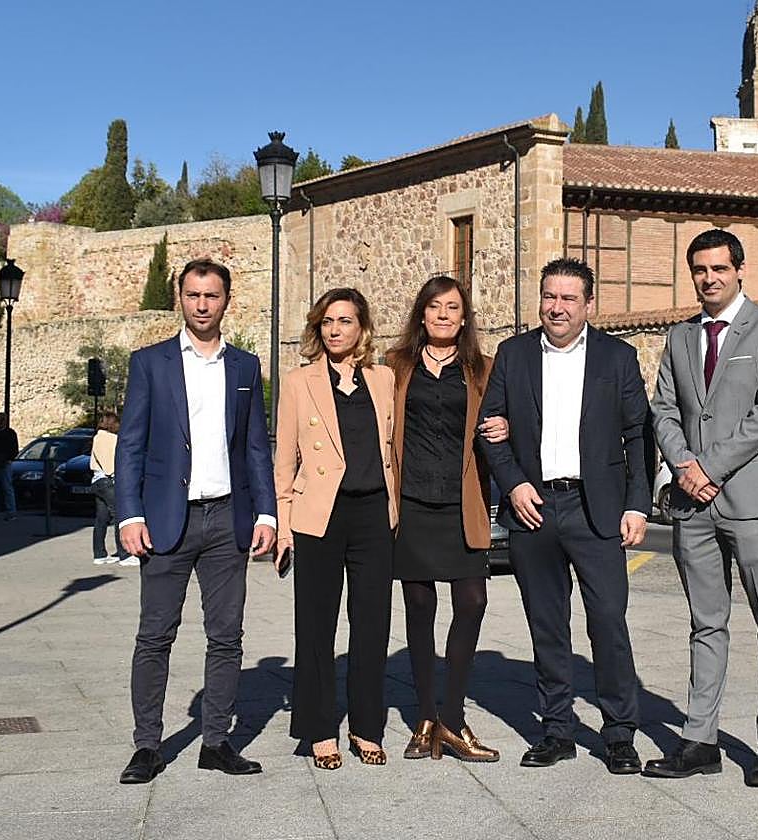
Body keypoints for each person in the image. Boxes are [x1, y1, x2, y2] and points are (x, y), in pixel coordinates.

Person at [479, 257, 651, 775]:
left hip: (596, 510)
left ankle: (619, 733)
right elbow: (489, 426)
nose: (556, 307)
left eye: (568, 298)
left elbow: (638, 435)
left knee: (608, 622)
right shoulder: (513, 355)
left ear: (588, 305)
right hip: (533, 508)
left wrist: (637, 504)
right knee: (547, 626)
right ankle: (556, 730)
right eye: (549, 296)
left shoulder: (617, 358)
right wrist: (514, 484)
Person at [645, 229, 758, 788]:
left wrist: (709, 467)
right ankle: (699, 739)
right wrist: (685, 465)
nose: (708, 279)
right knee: (705, 624)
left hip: (753, 501)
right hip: (692, 504)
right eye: (699, 270)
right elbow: (662, 407)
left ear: (739, 270)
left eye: (717, 268)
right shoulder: (680, 336)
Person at [115, 258, 276, 784]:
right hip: (166, 520)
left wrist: (267, 513)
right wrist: (129, 515)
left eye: (211, 296)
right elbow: (130, 447)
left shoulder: (246, 368)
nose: (202, 305)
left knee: (226, 636)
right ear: (179, 299)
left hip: (228, 517)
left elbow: (256, 447)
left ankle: (216, 742)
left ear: (227, 300)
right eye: (192, 295)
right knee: (154, 636)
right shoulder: (150, 364)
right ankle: (147, 746)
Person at [386, 275, 508, 763]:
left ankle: (452, 718)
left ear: (464, 317)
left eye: (452, 308)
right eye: (434, 307)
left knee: (472, 601)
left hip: (464, 502)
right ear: (422, 314)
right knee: (418, 609)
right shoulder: (396, 367)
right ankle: (424, 718)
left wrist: (508, 424)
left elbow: (506, 417)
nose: (442, 315)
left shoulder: (484, 369)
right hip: (412, 502)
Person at [274, 287, 396, 770]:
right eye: (327, 322)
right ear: (317, 328)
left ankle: (367, 727)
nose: (335, 329)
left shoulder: (383, 379)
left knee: (372, 627)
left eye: (345, 321)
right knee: (316, 627)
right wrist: (284, 530)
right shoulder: (298, 382)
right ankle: (320, 729)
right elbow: (285, 463)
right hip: (318, 516)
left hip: (372, 515)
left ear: (362, 328)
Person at [89, 411, 136, 567]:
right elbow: (111, 465)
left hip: (97, 480)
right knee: (119, 515)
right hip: (108, 481)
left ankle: (99, 554)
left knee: (101, 519)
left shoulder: (98, 437)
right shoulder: (110, 439)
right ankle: (124, 554)